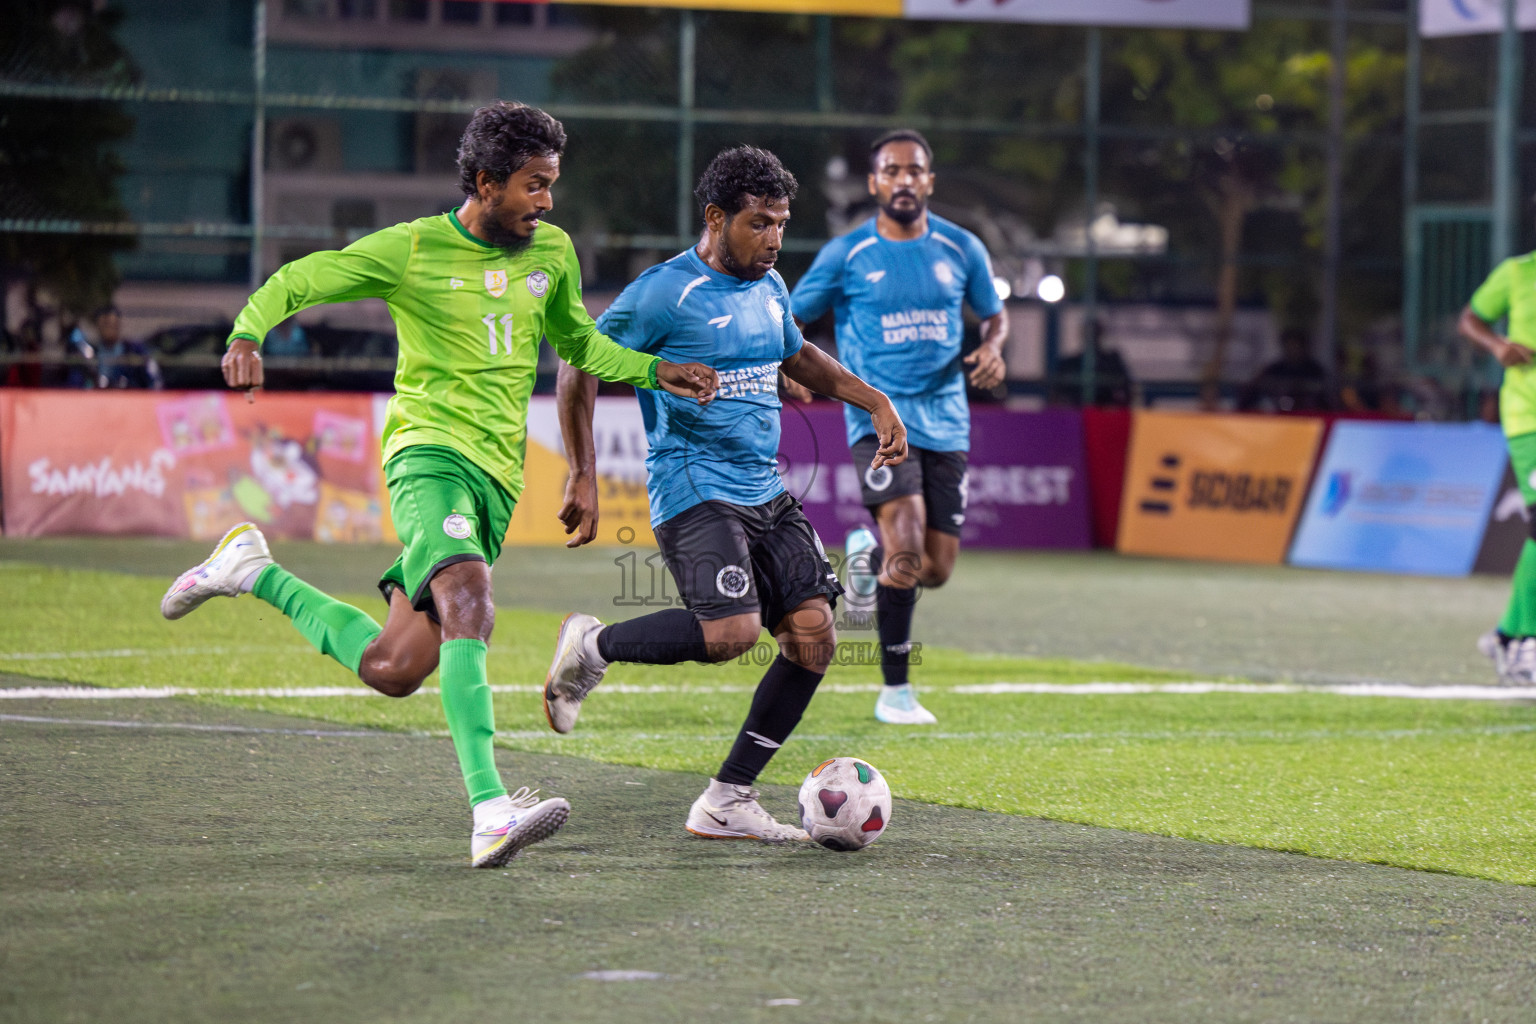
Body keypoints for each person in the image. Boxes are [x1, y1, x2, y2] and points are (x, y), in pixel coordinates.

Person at [159, 101, 719, 868]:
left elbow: (578, 343)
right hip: (428, 456)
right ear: (486, 182)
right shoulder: (412, 247)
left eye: (551, 184)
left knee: (395, 669)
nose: (547, 201)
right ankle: (490, 807)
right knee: (471, 604)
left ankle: (249, 569)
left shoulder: (551, 252)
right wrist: (248, 330)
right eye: (533, 185)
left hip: (496, 476)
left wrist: (655, 372)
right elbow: (303, 278)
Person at [544, 145, 907, 842]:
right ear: (716, 218)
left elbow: (795, 353)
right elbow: (578, 365)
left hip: (763, 487)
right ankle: (595, 646)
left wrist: (872, 398)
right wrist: (582, 471)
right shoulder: (662, 293)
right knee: (732, 633)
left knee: (814, 639)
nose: (774, 239)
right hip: (692, 484)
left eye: (780, 223)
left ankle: (726, 799)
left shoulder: (768, 286)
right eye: (759, 223)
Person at [787, 129, 1008, 726]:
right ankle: (896, 692)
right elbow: (791, 318)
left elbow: (995, 315)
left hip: (948, 422)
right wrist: (795, 366)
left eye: (915, 171)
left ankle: (863, 560)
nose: (904, 180)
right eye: (892, 170)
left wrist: (994, 348)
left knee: (933, 569)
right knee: (906, 549)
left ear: (929, 182)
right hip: (878, 418)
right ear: (874, 183)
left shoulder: (962, 248)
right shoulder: (847, 254)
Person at [1460, 255, 1536, 684]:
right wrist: (1497, 346)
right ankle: (1524, 640)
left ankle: (1506, 633)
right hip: (1530, 417)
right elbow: (1471, 317)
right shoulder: (1517, 272)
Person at [1236, 327, 1330, 413]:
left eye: (1296, 345)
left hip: (1308, 417)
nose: (1293, 349)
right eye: (1289, 345)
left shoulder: (1315, 370)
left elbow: (1325, 398)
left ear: (1304, 347)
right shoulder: (1274, 369)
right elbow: (1254, 392)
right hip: (1277, 416)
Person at [93, 305, 163, 389]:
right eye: (105, 324)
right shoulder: (91, 352)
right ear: (97, 326)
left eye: (112, 324)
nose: (109, 329)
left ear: (118, 324)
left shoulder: (134, 350)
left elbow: (153, 378)